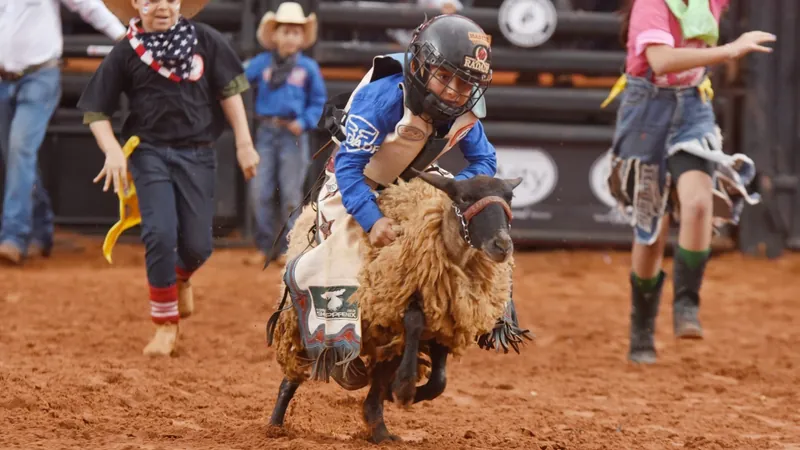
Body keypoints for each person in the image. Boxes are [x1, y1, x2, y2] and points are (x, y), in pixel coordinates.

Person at [277, 14, 529, 385]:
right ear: (420, 66)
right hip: (356, 180)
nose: (455, 91)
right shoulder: (382, 99)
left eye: (466, 83)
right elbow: (348, 167)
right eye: (446, 77)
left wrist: (455, 191)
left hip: (410, 180)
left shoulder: (463, 109)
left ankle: (495, 314)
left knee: (476, 223)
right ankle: (335, 345)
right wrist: (371, 219)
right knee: (341, 246)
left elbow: (484, 160)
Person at [76, 0, 260, 357]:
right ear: (136, 5)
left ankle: (180, 276)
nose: (162, 7)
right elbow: (96, 110)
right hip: (149, 152)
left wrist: (244, 143)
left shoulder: (205, 40)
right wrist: (113, 150)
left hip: (199, 152)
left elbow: (230, 92)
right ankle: (165, 323)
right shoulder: (126, 50)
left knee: (198, 246)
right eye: (151, 0)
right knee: (158, 232)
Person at [605, 0, 774, 364]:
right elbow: (661, 60)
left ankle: (686, 305)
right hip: (646, 112)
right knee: (650, 231)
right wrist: (730, 50)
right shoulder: (651, 3)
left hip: (693, 107)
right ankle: (642, 331)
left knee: (699, 204)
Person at [0, 0, 127, 265]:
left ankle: (13, 236)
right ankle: (41, 228)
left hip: (39, 75)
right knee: (17, 156)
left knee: (19, 149)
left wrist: (122, 37)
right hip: (4, 77)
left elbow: (87, 4)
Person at [244, 1, 327, 267]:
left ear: (302, 37)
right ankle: (265, 245)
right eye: (285, 31)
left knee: (291, 194)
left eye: (295, 32)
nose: (290, 37)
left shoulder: (308, 69)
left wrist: (303, 122)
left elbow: (317, 102)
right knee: (260, 192)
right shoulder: (261, 64)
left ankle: (289, 248)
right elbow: (240, 77)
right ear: (275, 35)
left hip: (293, 135)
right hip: (266, 133)